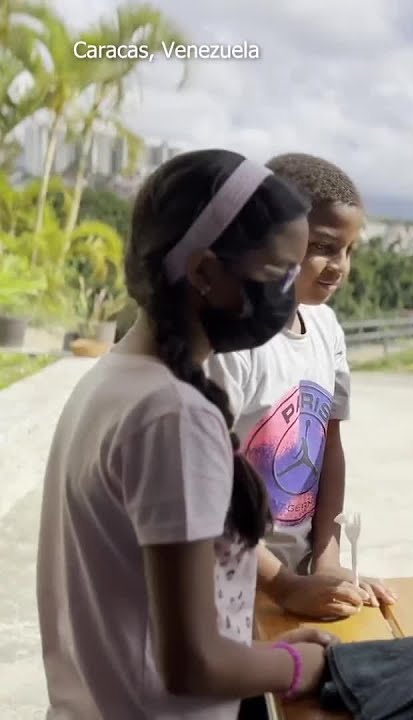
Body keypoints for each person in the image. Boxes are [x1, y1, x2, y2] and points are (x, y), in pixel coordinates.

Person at [36, 149, 339, 718]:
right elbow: (191, 665)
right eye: (279, 273)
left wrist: (264, 655)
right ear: (203, 271)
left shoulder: (117, 378)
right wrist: (304, 666)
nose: (289, 293)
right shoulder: (173, 415)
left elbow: (154, 627)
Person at [206, 152, 395, 621]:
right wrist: (282, 586)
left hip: (292, 581)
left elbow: (329, 445)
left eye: (350, 250)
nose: (340, 266)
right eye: (324, 246)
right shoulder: (231, 342)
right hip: (220, 586)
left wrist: (326, 563)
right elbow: (203, 487)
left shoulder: (327, 328)